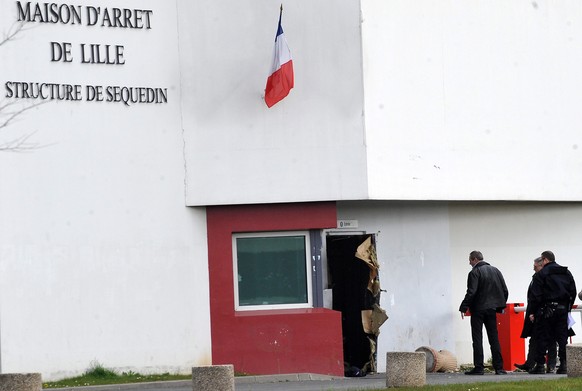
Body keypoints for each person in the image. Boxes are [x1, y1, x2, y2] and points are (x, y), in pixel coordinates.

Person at [459, 250, 509, 375]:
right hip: (492, 309)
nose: (469, 263)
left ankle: (479, 367)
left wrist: (463, 307)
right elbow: (504, 290)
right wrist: (500, 305)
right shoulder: (496, 270)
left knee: (477, 338)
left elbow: (471, 292)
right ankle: (499, 368)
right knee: (494, 338)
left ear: (475, 259)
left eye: (470, 260)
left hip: (478, 309)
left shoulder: (474, 272)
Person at [527, 250, 577, 375]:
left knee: (543, 337)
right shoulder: (566, 272)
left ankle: (540, 365)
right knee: (562, 338)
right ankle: (564, 365)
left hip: (546, 309)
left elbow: (535, 295)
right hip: (562, 309)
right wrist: (568, 307)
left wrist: (534, 311)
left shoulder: (541, 274)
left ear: (544, 259)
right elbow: (573, 291)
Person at [514, 257, 557, 373]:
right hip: (537, 312)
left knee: (550, 339)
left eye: (535, 266)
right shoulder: (537, 278)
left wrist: (535, 312)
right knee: (534, 339)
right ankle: (530, 363)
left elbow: (539, 297)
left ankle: (549, 365)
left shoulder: (545, 278)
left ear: (541, 265)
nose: (533, 268)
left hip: (544, 312)